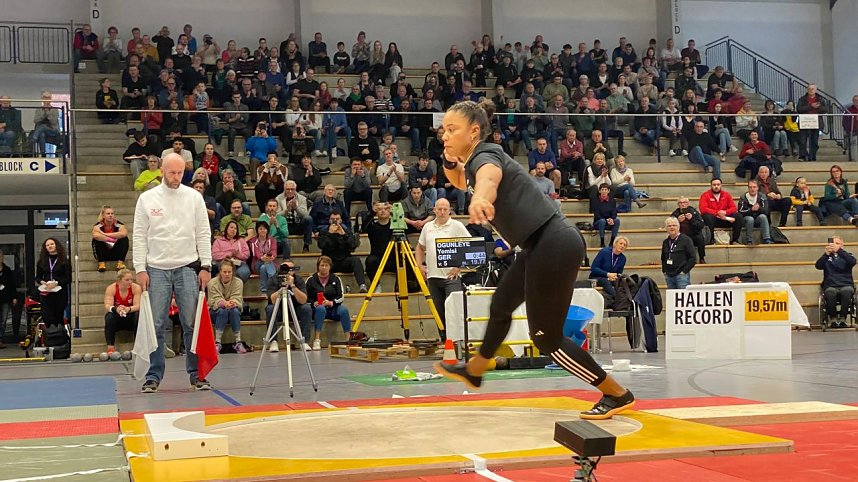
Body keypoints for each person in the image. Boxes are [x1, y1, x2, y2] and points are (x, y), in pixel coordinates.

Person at [435, 100, 634, 419]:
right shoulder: (474, 159)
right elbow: (462, 180)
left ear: (474, 132)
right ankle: (476, 367)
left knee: (547, 339)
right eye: (443, 130)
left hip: (552, 243)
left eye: (452, 129)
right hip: (538, 244)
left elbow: (487, 179)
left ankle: (616, 393)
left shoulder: (485, 156)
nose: (445, 134)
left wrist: (481, 198)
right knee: (501, 304)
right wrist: (449, 158)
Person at [133, 153, 213, 393]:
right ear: (161, 171)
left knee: (191, 323)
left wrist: (206, 265)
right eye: (172, 173)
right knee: (155, 324)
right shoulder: (146, 199)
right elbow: (139, 235)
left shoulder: (194, 198)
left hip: (188, 267)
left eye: (180, 173)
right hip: (156, 268)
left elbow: (203, 232)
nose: (176, 177)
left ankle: (197, 374)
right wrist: (139, 268)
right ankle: (153, 375)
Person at [412, 197, 471, 339]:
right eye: (440, 209)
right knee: (438, 312)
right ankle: (445, 341)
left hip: (451, 276)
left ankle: (457, 341)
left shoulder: (457, 226)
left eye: (445, 209)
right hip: (433, 277)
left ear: (450, 210)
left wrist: (459, 267)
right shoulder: (427, 227)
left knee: (453, 311)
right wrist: (419, 266)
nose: (442, 212)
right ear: (434, 210)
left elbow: (469, 246)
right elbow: (420, 248)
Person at [264, 260, 312, 352]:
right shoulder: (273, 279)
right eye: (286, 269)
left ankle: (304, 341)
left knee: (306, 308)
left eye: (291, 269)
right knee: (270, 308)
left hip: (295, 308)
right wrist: (282, 288)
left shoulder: (299, 280)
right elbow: (272, 300)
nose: (288, 271)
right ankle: (274, 341)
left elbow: (303, 300)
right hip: (279, 309)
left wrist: (292, 285)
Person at [305, 256, 351, 350]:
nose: (324, 267)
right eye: (322, 265)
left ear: (330, 267)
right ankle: (317, 340)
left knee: (344, 310)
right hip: (317, 309)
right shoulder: (311, 280)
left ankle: (348, 339)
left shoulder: (336, 279)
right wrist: (313, 303)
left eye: (326, 265)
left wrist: (331, 302)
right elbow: (305, 297)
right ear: (318, 266)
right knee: (321, 309)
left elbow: (341, 296)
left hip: (332, 308)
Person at [317, 211, 367, 293]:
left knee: (356, 260)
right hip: (330, 263)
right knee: (322, 262)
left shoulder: (346, 231)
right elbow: (321, 245)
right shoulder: (323, 232)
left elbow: (353, 246)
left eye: (337, 219)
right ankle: (322, 289)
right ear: (329, 221)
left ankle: (362, 285)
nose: (335, 221)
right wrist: (330, 234)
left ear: (340, 220)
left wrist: (344, 235)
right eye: (333, 219)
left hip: (344, 261)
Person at [206, 258, 246, 353]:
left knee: (235, 311)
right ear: (220, 272)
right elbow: (213, 300)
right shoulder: (212, 283)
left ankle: (238, 342)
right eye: (224, 272)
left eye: (229, 272)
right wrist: (224, 303)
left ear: (233, 272)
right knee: (223, 310)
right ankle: (217, 342)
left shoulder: (238, 282)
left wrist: (232, 303)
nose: (227, 274)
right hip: (216, 311)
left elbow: (237, 298)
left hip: (232, 309)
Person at [815, 236, 856, 328]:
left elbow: (852, 262)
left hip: (846, 284)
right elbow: (818, 266)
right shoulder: (827, 257)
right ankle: (833, 318)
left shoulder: (847, 255)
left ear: (842, 245)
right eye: (833, 243)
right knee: (830, 293)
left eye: (837, 243)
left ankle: (842, 318)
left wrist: (839, 251)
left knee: (847, 291)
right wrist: (825, 254)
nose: (835, 246)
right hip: (831, 285)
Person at [102, 269, 141, 354]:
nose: (130, 282)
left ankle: (138, 345)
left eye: (131, 279)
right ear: (119, 280)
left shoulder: (136, 288)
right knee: (109, 316)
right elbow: (107, 305)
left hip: (130, 317)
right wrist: (116, 309)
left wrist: (128, 309)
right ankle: (110, 347)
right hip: (118, 318)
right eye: (127, 280)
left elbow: (138, 305)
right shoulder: (111, 288)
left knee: (138, 315)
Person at [35, 238, 71, 327]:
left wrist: (57, 283)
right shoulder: (42, 261)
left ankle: (59, 337)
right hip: (46, 292)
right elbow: (38, 277)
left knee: (58, 317)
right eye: (47, 245)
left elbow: (68, 278)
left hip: (60, 292)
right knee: (47, 317)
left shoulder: (64, 261)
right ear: (45, 248)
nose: (50, 246)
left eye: (52, 244)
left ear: (56, 245)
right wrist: (42, 282)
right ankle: (50, 336)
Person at [699, 178, 741, 245]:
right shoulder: (705, 195)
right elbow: (703, 209)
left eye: (718, 184)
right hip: (713, 220)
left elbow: (734, 208)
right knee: (707, 217)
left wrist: (725, 212)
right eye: (714, 185)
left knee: (738, 216)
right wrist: (717, 213)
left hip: (725, 219)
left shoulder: (726, 195)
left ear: (721, 185)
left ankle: (734, 240)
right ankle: (711, 240)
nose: (716, 186)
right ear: (711, 186)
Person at [277, 180, 313, 253]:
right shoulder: (278, 198)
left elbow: (305, 214)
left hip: (297, 224)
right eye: (288, 189)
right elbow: (277, 216)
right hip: (285, 225)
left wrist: (296, 208)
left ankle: (306, 245)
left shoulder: (302, 198)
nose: (290, 191)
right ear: (284, 189)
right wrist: (286, 210)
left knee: (308, 219)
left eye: (292, 189)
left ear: (295, 189)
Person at [589, 236, 628, 301]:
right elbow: (594, 268)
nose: (622, 246)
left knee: (621, 283)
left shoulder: (623, 258)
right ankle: (618, 300)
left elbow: (619, 273)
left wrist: (614, 276)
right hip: (597, 276)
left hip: (611, 278)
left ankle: (621, 300)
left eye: (624, 245)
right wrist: (607, 274)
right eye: (620, 243)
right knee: (606, 282)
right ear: (615, 243)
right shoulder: (604, 252)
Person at [661, 217, 696, 289]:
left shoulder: (686, 240)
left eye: (674, 225)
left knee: (682, 298)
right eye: (669, 226)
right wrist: (664, 271)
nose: (672, 227)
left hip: (681, 276)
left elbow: (693, 258)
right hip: (669, 276)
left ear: (678, 227)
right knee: (672, 299)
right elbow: (663, 258)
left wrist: (684, 271)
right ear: (666, 228)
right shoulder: (665, 242)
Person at [91, 205, 129, 272]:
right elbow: (96, 236)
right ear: (103, 215)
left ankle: (120, 264)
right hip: (104, 253)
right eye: (108, 214)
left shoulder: (119, 224)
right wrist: (113, 238)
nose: (110, 215)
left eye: (112, 213)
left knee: (124, 239)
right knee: (96, 240)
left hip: (116, 253)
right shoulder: (98, 225)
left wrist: (104, 234)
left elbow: (123, 233)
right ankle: (101, 264)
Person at [671, 197, 707, 263]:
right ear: (678, 204)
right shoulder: (675, 214)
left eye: (684, 202)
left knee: (700, 239)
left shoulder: (694, 212)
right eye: (680, 203)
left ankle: (702, 258)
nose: (683, 204)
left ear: (688, 204)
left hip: (694, 233)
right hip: (682, 235)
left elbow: (701, 225)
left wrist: (692, 219)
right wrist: (678, 221)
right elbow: (671, 227)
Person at [737, 180, 773, 245]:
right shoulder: (743, 197)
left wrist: (758, 208)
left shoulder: (762, 196)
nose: (752, 189)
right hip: (747, 219)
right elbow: (740, 211)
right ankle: (749, 240)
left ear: (757, 188)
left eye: (754, 187)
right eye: (750, 187)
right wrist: (751, 209)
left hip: (757, 219)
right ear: (748, 188)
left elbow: (766, 211)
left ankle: (767, 239)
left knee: (763, 217)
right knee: (750, 219)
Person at [797, 83, 826, 161]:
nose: (811, 90)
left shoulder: (820, 99)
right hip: (804, 122)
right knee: (802, 141)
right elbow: (799, 109)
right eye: (809, 89)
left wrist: (818, 107)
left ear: (815, 90)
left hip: (816, 122)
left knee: (814, 141)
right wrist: (811, 106)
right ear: (807, 89)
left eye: (812, 89)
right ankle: (803, 156)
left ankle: (812, 156)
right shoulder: (802, 99)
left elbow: (825, 110)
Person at [250, 220, 278, 295]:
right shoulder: (252, 241)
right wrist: (262, 257)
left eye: (264, 229)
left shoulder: (272, 240)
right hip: (257, 263)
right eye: (260, 229)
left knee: (263, 268)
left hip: (269, 261)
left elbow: (274, 250)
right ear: (257, 230)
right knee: (263, 265)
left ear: (267, 230)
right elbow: (255, 253)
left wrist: (272, 256)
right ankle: (274, 281)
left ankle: (264, 291)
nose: (263, 230)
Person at [29, 91, 60, 156]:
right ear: (42, 99)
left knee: (43, 127)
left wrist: (47, 113)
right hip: (41, 131)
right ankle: (43, 153)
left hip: (52, 130)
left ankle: (34, 138)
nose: (46, 99)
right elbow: (36, 120)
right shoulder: (38, 110)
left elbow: (53, 121)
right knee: (42, 134)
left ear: (50, 99)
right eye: (45, 97)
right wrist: (44, 114)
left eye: (48, 97)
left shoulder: (55, 109)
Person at [0, 251, 19, 347]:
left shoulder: (7, 270)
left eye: (0, 256)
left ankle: (0, 339)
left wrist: (14, 297)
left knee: (3, 320)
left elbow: (12, 285)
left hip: (5, 298)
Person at [591, 183, 620, 248]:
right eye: (602, 189)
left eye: (605, 190)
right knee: (602, 221)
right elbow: (597, 215)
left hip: (609, 221)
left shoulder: (612, 201)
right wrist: (606, 220)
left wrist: (612, 219)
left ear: (608, 191)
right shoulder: (595, 201)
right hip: (599, 222)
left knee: (617, 220)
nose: (604, 191)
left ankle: (612, 242)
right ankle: (602, 242)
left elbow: (614, 212)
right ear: (599, 191)